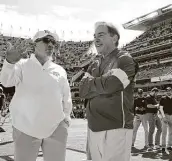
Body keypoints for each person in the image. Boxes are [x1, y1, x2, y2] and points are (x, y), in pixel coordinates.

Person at [0, 30, 72, 161]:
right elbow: (6, 81)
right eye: (46, 40)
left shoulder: (59, 70)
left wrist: (66, 119)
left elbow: (66, 97)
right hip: (26, 128)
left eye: (53, 42)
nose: (50, 44)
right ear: (35, 44)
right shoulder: (21, 64)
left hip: (56, 127)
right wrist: (9, 62)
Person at [79, 22, 137, 161]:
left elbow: (113, 84)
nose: (96, 39)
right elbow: (82, 90)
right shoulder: (94, 63)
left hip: (116, 127)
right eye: (94, 36)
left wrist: (92, 84)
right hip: (93, 127)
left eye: (101, 35)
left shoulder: (124, 59)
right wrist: (102, 84)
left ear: (114, 38)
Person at [159, 87, 172, 153]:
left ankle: (169, 146)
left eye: (170, 90)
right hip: (165, 115)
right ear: (166, 91)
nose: (168, 91)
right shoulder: (163, 98)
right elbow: (161, 108)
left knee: (171, 132)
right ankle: (163, 146)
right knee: (164, 132)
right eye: (167, 90)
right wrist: (163, 116)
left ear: (171, 91)